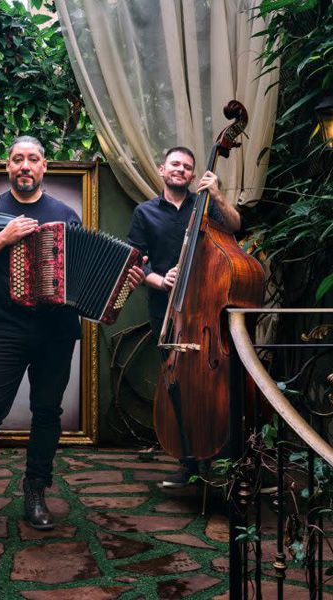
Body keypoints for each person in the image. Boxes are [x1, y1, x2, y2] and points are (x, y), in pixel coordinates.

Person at [0, 136, 142, 538]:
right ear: (7, 167)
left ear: (45, 167)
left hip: (57, 331)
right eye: (17, 159)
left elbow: (92, 276)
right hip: (6, 328)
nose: (24, 166)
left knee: (47, 412)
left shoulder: (66, 214)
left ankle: (35, 493)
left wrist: (124, 284)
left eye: (33, 159)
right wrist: (3, 238)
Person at [126, 146, 241, 488]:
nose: (180, 170)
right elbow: (135, 261)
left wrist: (218, 194)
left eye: (187, 167)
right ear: (162, 170)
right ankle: (188, 461)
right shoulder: (144, 212)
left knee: (217, 387)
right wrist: (161, 280)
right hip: (169, 311)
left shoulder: (205, 206)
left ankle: (221, 458)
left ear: (193, 176)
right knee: (178, 388)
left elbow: (236, 228)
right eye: (174, 164)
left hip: (209, 308)